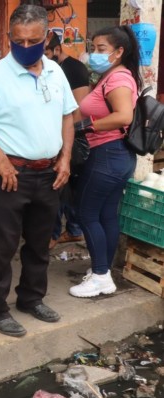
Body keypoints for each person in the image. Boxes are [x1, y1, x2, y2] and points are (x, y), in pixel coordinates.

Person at [0, 4, 77, 337]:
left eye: (33, 41)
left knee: (41, 243)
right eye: (18, 40)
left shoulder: (56, 71)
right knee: (2, 245)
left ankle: (30, 299)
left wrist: (66, 157)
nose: (25, 47)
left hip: (50, 173)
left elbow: (68, 115)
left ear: (46, 37)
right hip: (11, 175)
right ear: (10, 37)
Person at [68, 26, 141, 298]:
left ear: (119, 52)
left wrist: (86, 126)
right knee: (106, 214)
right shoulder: (112, 76)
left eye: (101, 49)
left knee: (87, 214)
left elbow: (124, 116)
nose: (94, 54)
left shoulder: (118, 79)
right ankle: (103, 271)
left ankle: (100, 277)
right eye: (93, 48)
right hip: (116, 155)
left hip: (107, 155)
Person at [45, 33, 90, 249]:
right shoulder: (47, 68)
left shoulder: (74, 69)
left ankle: (55, 234)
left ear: (56, 49)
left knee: (62, 187)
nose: (42, 56)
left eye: (46, 51)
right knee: (67, 188)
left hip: (70, 135)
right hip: (55, 135)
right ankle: (72, 230)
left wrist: (66, 141)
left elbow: (78, 110)